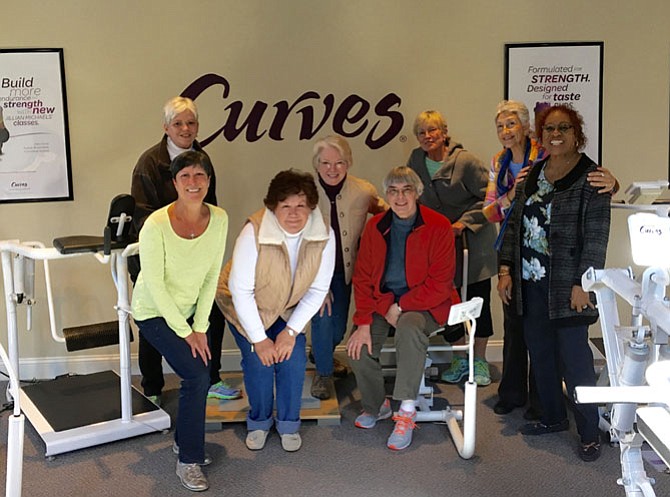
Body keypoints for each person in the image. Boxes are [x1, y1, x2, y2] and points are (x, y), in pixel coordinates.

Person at [484, 100, 619, 419]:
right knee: (526, 340)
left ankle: (567, 417)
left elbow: (593, 220)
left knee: (563, 350)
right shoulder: (509, 165)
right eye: (501, 126)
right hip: (521, 266)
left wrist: (613, 182)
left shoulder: (562, 163)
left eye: (512, 124)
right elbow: (498, 214)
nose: (506, 131)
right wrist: (505, 268)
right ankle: (530, 403)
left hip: (561, 275)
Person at [130, 96, 240, 405]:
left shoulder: (202, 158)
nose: (185, 128)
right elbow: (142, 216)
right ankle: (152, 386)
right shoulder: (149, 163)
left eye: (191, 122)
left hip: (195, 258)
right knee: (157, 326)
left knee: (210, 316)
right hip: (159, 260)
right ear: (166, 127)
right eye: (178, 123)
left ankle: (211, 377)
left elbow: (210, 205)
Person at [216, 169, 335, 452]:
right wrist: (259, 339)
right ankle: (258, 422)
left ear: (311, 208)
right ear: (273, 207)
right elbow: (241, 291)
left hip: (288, 308)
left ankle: (289, 424)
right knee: (259, 363)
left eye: (300, 206)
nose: (293, 214)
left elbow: (318, 290)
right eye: (285, 206)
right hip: (246, 305)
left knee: (292, 360)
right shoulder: (253, 232)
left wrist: (291, 332)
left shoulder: (324, 236)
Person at [131, 150, 228, 491]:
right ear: (174, 182)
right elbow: (155, 285)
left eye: (200, 176)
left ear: (208, 181)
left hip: (189, 312)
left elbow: (211, 276)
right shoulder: (156, 224)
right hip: (152, 311)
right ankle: (188, 458)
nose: (193, 182)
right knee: (197, 373)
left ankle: (184, 441)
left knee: (198, 372)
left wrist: (200, 327)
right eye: (185, 176)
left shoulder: (219, 219)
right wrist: (187, 333)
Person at [346, 166, 458, 451]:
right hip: (385, 303)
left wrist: (401, 305)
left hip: (427, 304)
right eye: (393, 191)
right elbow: (363, 277)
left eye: (406, 190)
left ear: (417, 193)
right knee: (359, 343)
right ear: (387, 195)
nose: (400, 197)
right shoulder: (376, 226)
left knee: (408, 327)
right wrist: (365, 321)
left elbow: (440, 284)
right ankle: (377, 405)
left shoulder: (439, 225)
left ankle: (406, 411)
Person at [406, 110, 497, 386]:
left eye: (433, 130)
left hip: (472, 242)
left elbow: (490, 198)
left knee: (478, 301)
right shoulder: (415, 160)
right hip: (439, 245)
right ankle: (459, 358)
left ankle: (479, 361)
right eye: (422, 132)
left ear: (445, 133)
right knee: (445, 300)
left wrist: (463, 223)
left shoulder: (465, 161)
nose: (427, 136)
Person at [309, 135, 387, 400]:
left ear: (348, 163)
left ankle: (320, 352)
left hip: (346, 272)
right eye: (326, 163)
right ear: (316, 164)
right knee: (323, 318)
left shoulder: (363, 190)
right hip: (314, 273)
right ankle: (323, 373)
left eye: (339, 162)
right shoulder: (304, 191)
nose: (332, 169)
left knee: (338, 327)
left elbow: (387, 214)